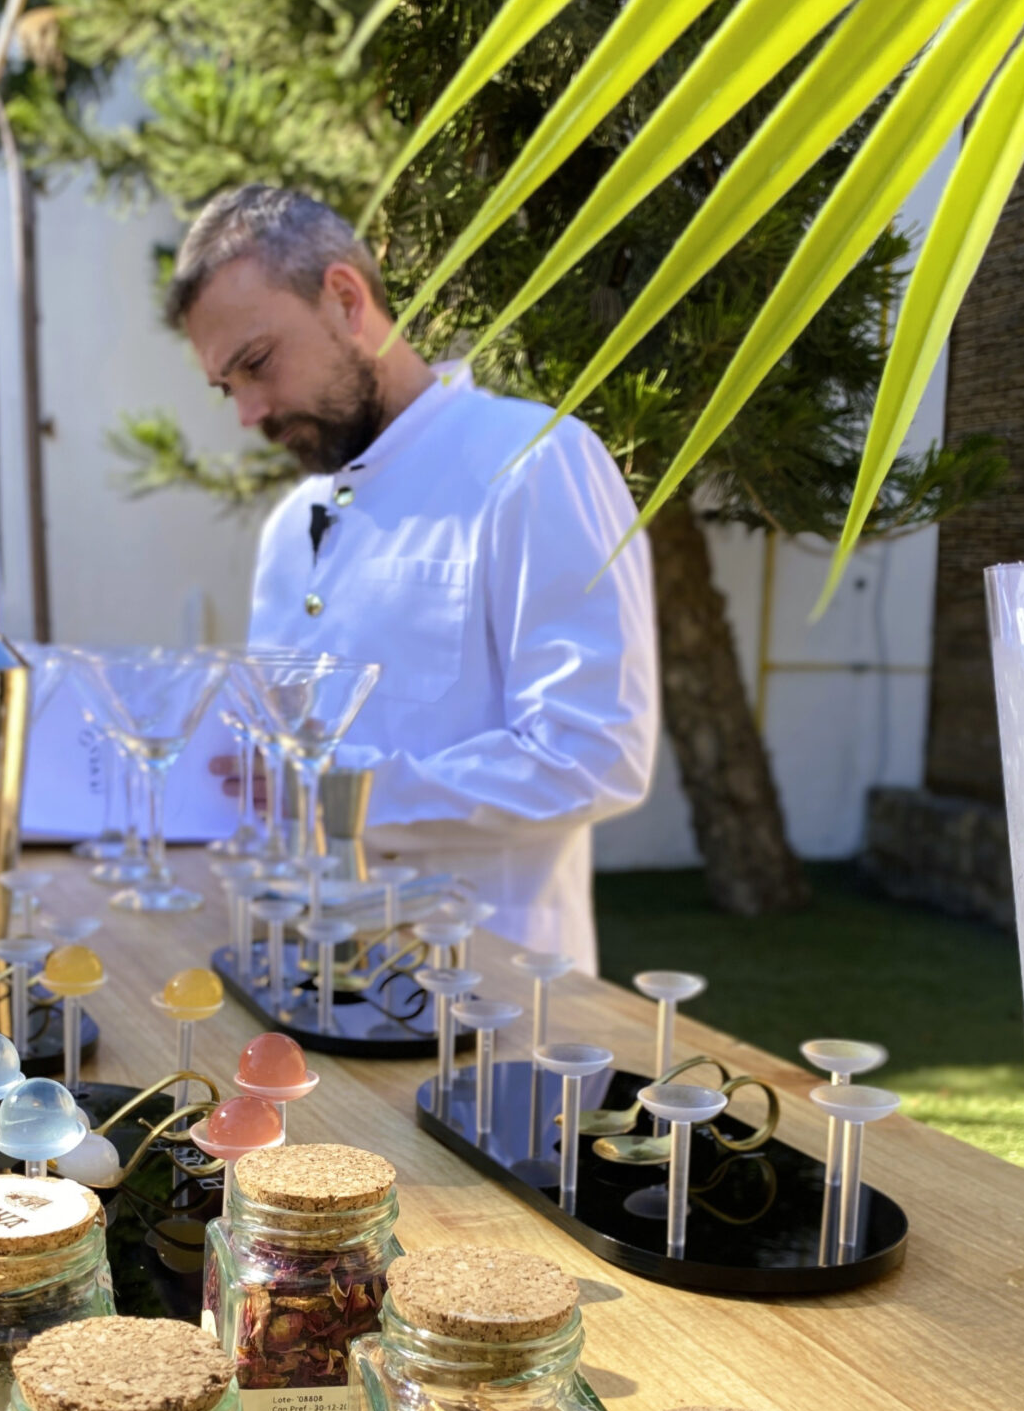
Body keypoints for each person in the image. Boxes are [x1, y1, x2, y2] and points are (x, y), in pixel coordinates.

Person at [166, 184, 658, 973]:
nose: (248, 413)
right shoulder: (290, 526)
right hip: (298, 984)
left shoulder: (532, 461)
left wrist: (345, 795)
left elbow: (595, 754)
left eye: (256, 363)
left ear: (346, 300)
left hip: (488, 1006)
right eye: (229, 385)